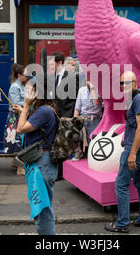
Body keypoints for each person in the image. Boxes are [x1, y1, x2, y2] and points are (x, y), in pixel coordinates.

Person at [105, 71, 140, 233]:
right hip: (139, 147)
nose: (123, 86)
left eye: (126, 83)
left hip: (135, 149)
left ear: (135, 83)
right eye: (121, 83)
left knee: (121, 184)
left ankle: (122, 223)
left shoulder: (138, 99)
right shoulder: (136, 98)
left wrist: (132, 153)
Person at [15, 77, 59, 235]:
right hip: (43, 163)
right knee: (44, 206)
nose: (26, 92)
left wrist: (25, 106)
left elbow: (20, 129)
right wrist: (23, 111)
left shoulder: (43, 111)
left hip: (42, 164)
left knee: (42, 210)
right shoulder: (45, 109)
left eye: (28, 89)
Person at [50, 52, 80, 181]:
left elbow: (75, 98)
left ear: (60, 62)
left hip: (66, 116)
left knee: (65, 144)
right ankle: (57, 171)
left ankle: (63, 173)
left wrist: (68, 116)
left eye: (52, 64)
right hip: (54, 116)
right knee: (57, 143)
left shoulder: (72, 77)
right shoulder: (53, 77)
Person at [2, 63, 27, 175]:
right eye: (25, 75)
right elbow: (15, 104)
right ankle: (20, 167)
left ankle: (16, 162)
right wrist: (29, 102)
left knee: (21, 140)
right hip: (16, 117)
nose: (27, 77)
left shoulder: (22, 85)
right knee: (18, 140)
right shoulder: (15, 87)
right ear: (19, 75)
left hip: (21, 115)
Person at [72, 80, 102, 161]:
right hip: (83, 118)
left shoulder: (100, 90)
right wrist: (74, 120)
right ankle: (78, 151)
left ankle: (93, 158)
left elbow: (96, 102)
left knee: (93, 141)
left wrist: (92, 88)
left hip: (94, 119)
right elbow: (77, 107)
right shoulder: (82, 90)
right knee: (76, 135)